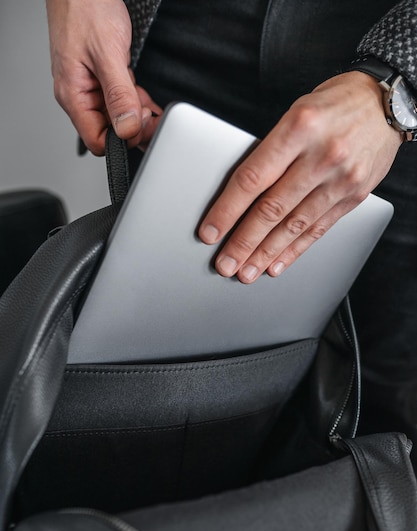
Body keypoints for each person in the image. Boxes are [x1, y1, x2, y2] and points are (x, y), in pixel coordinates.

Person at [45, 0, 417, 455]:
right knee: (143, 379)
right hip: (181, 32)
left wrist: (400, 86)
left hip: (383, 63)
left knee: (377, 403)